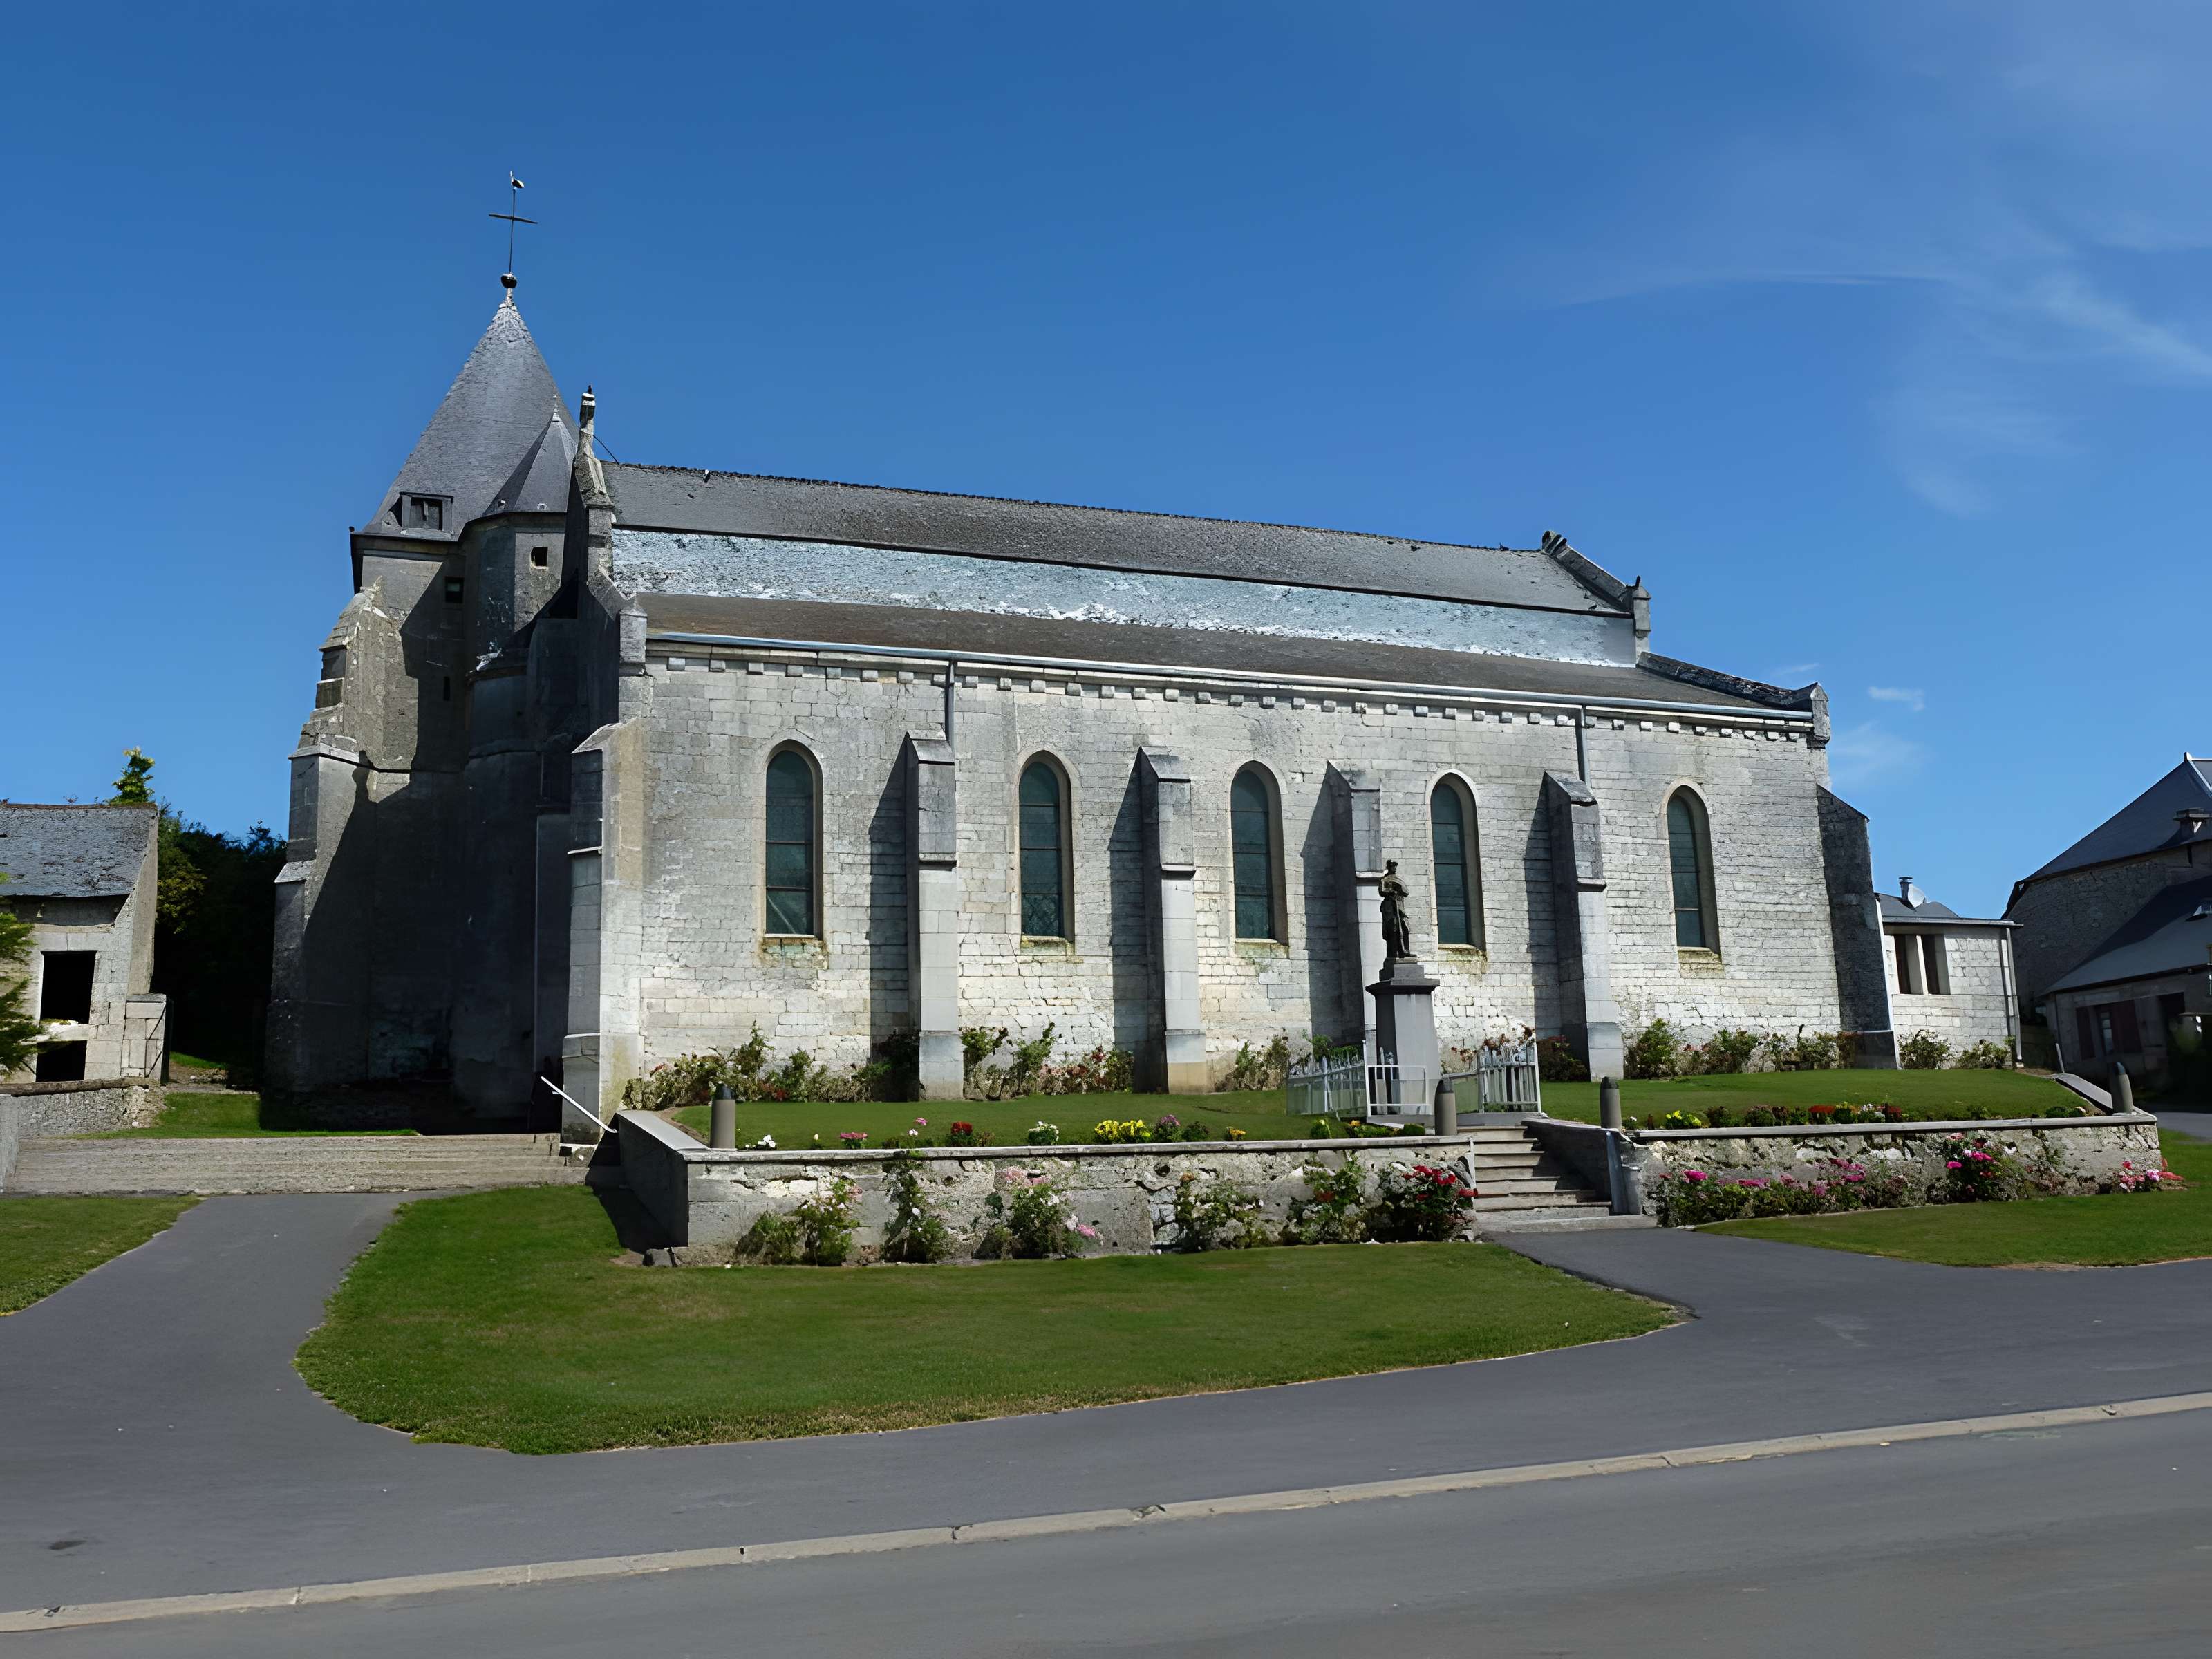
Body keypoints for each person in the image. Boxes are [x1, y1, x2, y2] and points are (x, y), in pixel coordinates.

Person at [1378, 859, 1413, 963]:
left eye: (1395, 866)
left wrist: (1398, 890)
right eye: (1392, 866)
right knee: (1393, 929)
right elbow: (1381, 891)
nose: (1394, 868)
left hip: (1399, 907)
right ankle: (1394, 951)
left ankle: (1405, 949)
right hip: (1390, 908)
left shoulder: (1399, 879)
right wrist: (1390, 892)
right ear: (1389, 867)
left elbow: (1406, 892)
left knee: (1404, 927)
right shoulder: (1384, 880)